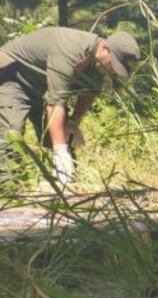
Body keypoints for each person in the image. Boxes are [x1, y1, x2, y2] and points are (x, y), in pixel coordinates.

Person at [0, 27, 141, 185]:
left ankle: (62, 184)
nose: (112, 70)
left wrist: (73, 123)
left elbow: (88, 93)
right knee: (11, 134)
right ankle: (7, 187)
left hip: (41, 86)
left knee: (63, 137)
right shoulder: (70, 50)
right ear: (104, 48)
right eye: (113, 64)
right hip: (12, 76)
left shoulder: (98, 63)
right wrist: (60, 152)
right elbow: (55, 104)